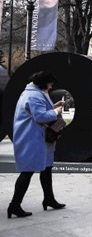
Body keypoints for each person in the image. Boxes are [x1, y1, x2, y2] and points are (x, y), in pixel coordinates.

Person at [8, 71, 65, 218]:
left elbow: (38, 110)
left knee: (46, 169)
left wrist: (53, 106)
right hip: (32, 139)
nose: (52, 87)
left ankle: (49, 199)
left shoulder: (33, 92)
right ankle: (14, 205)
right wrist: (56, 111)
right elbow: (40, 116)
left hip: (36, 138)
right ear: (44, 83)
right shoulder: (34, 95)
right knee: (27, 172)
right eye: (50, 83)